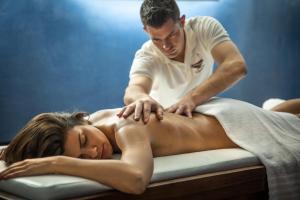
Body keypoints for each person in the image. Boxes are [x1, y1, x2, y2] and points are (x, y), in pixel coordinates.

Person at [0, 98, 300, 196]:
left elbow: (136, 179)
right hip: (211, 114)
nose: (93, 152)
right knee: (276, 115)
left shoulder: (125, 127)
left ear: (78, 119)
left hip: (237, 125)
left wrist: (58, 164)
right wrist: (11, 150)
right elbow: (42, 136)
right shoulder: (89, 124)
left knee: (286, 125)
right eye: (81, 156)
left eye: (84, 141)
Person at [118, 0, 247, 123]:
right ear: (146, 31)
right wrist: (141, 98)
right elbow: (134, 89)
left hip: (201, 111)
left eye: (172, 35)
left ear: (182, 21)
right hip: (164, 119)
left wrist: (191, 99)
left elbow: (236, 65)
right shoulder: (147, 55)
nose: (166, 46)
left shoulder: (204, 28)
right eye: (156, 39)